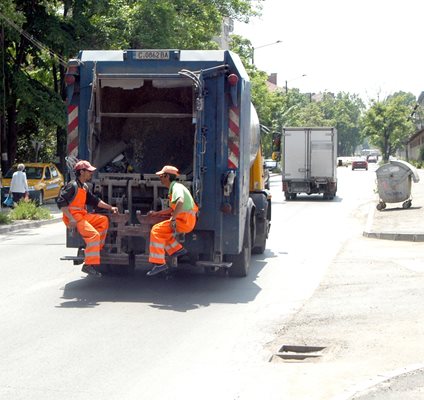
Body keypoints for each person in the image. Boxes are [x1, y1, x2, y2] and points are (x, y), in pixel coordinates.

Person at [57, 160, 118, 277]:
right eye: (89, 171)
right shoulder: (72, 186)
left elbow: (95, 201)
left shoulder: (84, 187)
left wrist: (111, 208)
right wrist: (71, 219)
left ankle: (94, 249)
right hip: (74, 218)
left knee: (103, 220)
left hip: (82, 216)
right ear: (81, 172)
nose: (91, 173)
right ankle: (88, 265)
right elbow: (61, 202)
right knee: (94, 235)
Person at [146, 165, 198, 276]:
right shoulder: (175, 187)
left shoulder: (176, 187)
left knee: (156, 230)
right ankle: (177, 250)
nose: (160, 178)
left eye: (161, 176)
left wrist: (173, 219)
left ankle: (160, 264)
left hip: (184, 221)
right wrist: (157, 213)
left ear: (167, 176)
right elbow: (172, 208)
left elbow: (180, 201)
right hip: (186, 220)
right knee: (164, 233)